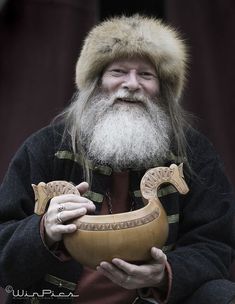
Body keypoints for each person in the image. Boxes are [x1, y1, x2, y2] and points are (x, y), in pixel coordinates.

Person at [0, 14, 235, 304]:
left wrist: (164, 274)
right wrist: (43, 231)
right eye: (118, 71)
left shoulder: (193, 153)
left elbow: (215, 244)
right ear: (96, 83)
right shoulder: (45, 148)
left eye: (146, 75)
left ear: (162, 89)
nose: (132, 84)